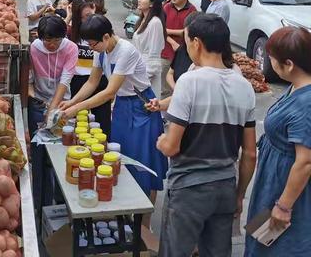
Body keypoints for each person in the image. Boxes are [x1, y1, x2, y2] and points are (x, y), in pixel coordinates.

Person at [154, 14, 257, 257]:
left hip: (189, 188)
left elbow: (171, 147)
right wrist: (239, 195)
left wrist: (161, 142)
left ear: (196, 42)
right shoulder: (244, 86)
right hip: (225, 188)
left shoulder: (190, 82)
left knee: (175, 251)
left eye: (188, 41)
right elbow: (250, 153)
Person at [59, 15, 168, 211]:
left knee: (142, 162)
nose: (91, 48)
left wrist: (77, 108)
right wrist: (71, 102)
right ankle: (126, 209)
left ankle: (145, 219)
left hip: (141, 106)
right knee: (118, 158)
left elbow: (109, 91)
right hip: (122, 108)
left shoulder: (126, 51)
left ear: (107, 37)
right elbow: (92, 82)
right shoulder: (100, 52)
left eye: (94, 44)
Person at [245, 27, 311, 257]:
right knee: (260, 241)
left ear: (289, 64)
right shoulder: (295, 86)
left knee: (280, 247)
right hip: (272, 182)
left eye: (272, 59)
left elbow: (305, 162)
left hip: (288, 191)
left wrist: (283, 206)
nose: (269, 63)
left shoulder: (306, 104)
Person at [28, 15, 78, 207]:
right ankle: (40, 203)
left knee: (62, 153)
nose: (52, 45)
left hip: (62, 103)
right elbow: (30, 77)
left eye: (56, 40)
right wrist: (36, 99)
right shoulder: (34, 48)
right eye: (47, 40)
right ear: (40, 37)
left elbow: (65, 80)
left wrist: (53, 108)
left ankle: (61, 201)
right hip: (39, 102)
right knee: (39, 154)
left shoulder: (71, 48)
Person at [68, 0, 111, 136]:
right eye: (82, 17)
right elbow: (56, 31)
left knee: (102, 123)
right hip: (79, 81)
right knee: (79, 121)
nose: (86, 20)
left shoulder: (103, 29)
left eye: (89, 15)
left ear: (94, 7)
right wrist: (68, 16)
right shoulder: (73, 33)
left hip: (100, 79)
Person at [160, 0, 197, 99]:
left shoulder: (192, 10)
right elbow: (160, 29)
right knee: (164, 82)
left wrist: (168, 30)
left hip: (185, 53)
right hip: (166, 51)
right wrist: (172, 41)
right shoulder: (166, 7)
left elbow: (188, 31)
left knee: (182, 79)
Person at [132, 0, 166, 99]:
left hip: (147, 73)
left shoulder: (155, 22)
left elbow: (154, 55)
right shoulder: (141, 20)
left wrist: (142, 80)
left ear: (152, 3)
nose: (139, 0)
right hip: (138, 68)